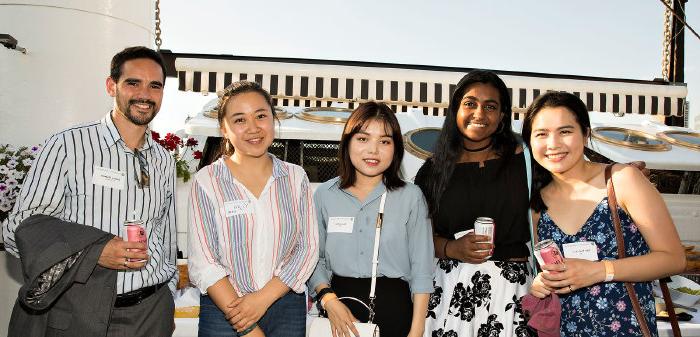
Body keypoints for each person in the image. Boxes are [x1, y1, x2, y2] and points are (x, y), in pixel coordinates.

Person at [2, 46, 178, 336]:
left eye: (155, 85)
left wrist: (167, 298)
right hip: (79, 312)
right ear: (112, 86)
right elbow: (16, 233)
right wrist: (93, 253)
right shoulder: (67, 146)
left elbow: (166, 237)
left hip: (151, 314)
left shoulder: (163, 159)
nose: (145, 94)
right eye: (133, 82)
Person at [523, 92, 685, 337]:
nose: (553, 144)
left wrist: (600, 270)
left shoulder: (622, 180)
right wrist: (541, 284)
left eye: (565, 131)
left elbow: (673, 259)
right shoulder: (537, 203)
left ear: (586, 134)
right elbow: (544, 271)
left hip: (626, 328)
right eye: (541, 134)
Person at [187, 80, 319, 337]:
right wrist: (246, 324)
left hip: (285, 304)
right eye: (239, 120)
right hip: (225, 308)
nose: (253, 128)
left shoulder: (295, 178)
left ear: (273, 119)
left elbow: (307, 247)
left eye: (261, 116)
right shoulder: (207, 181)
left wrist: (261, 300)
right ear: (224, 129)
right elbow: (203, 261)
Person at [415, 70, 534, 337]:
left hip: (513, 293)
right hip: (449, 292)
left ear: (502, 116)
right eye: (470, 103)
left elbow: (573, 186)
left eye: (490, 106)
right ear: (455, 109)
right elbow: (418, 235)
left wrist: (615, 176)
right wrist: (450, 248)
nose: (479, 113)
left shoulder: (525, 163)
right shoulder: (432, 171)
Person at [309, 101, 434, 337]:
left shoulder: (411, 196)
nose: (373, 150)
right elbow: (314, 259)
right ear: (348, 143)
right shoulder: (325, 195)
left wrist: (417, 330)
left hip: (395, 310)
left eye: (385, 141)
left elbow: (422, 269)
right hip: (339, 308)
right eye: (363, 139)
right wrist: (327, 300)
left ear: (396, 148)